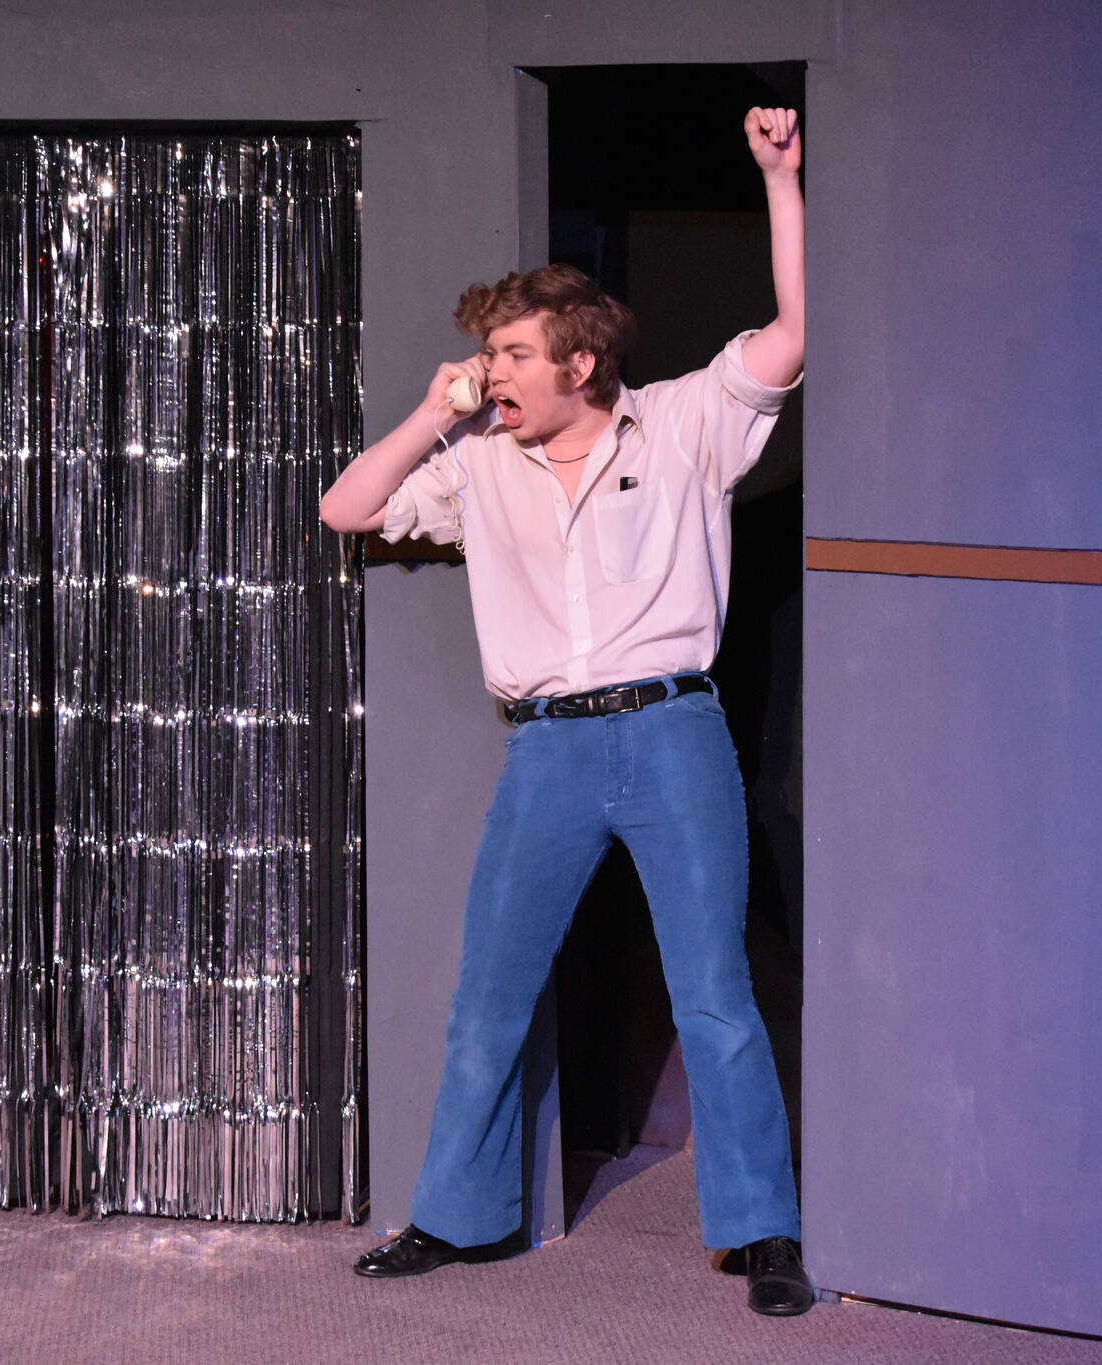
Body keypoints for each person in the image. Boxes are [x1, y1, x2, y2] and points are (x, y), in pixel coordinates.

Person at [318, 107, 810, 1317]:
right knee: (492, 988)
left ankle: (759, 1236)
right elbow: (346, 509)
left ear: (577, 362)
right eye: (488, 359)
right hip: (548, 749)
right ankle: (457, 1220)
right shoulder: (478, 460)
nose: (494, 375)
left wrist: (778, 180)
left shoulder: (686, 422)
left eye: (511, 357)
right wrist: (438, 412)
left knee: (712, 993)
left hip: (673, 730)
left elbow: (794, 338)